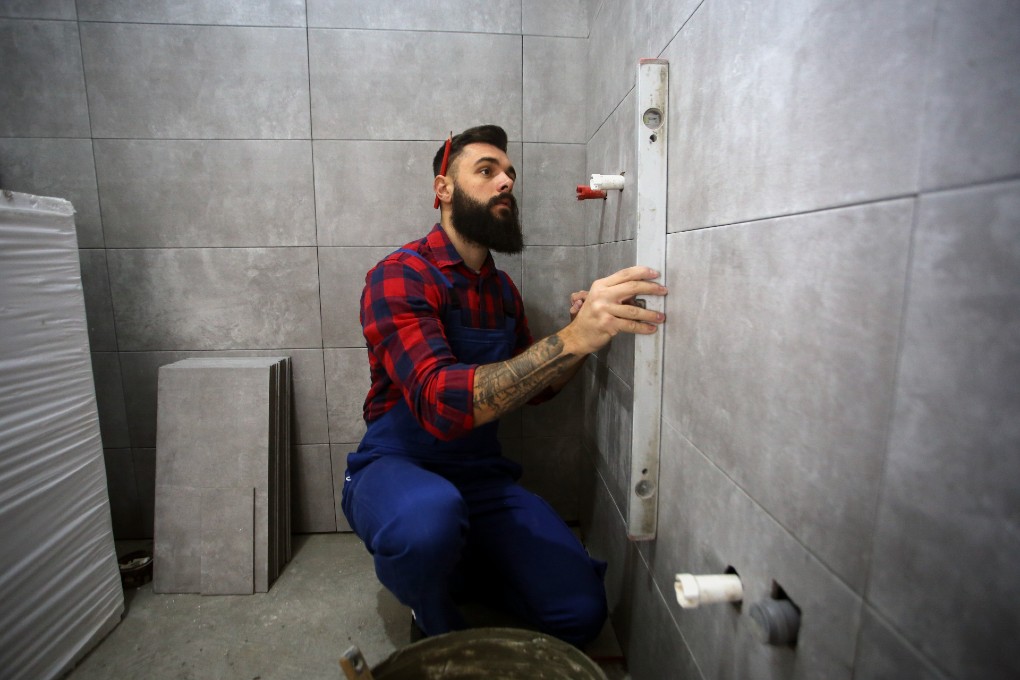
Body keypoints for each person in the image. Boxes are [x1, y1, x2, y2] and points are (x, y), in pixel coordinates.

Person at [341, 124, 666, 647]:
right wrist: (568, 339)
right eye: (487, 171)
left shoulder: (501, 290)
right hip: (397, 466)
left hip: (481, 480)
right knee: (427, 523)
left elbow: (535, 389)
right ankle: (435, 613)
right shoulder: (400, 275)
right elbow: (441, 402)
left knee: (581, 611)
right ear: (443, 190)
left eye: (510, 173)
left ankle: (463, 558)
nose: (506, 182)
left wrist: (583, 341)